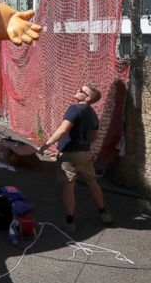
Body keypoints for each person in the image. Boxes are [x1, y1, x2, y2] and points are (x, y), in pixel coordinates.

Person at [39, 83, 113, 233]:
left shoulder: (74, 109)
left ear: (88, 98)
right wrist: (83, 144)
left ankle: (70, 221)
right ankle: (104, 213)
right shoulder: (93, 114)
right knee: (92, 182)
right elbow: (95, 136)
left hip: (69, 155)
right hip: (85, 154)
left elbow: (63, 129)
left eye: (82, 91)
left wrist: (46, 144)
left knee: (69, 186)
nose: (77, 90)